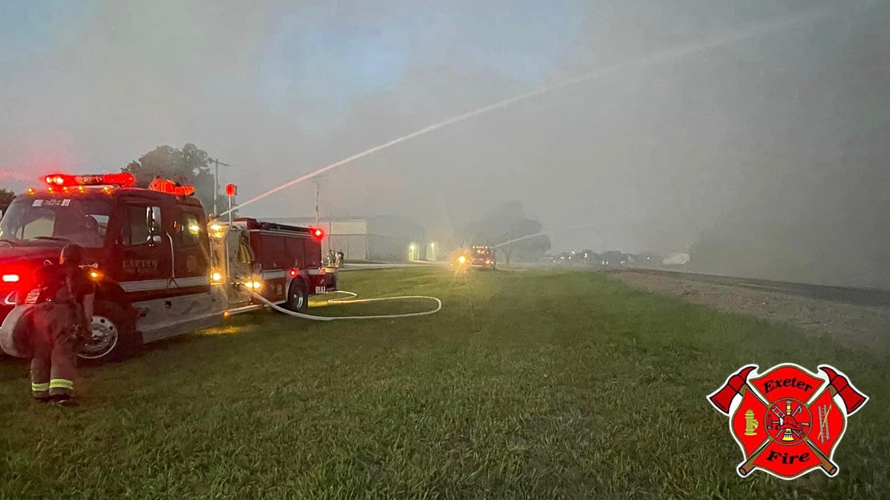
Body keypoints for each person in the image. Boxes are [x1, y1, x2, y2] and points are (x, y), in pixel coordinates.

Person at [26, 244, 95, 405]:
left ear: (62, 257)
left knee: (40, 353)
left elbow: (24, 292)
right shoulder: (85, 278)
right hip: (66, 319)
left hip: (40, 317)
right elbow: (88, 307)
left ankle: (40, 393)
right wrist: (88, 326)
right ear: (80, 259)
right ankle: (60, 395)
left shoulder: (44, 271)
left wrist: (19, 311)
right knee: (63, 354)